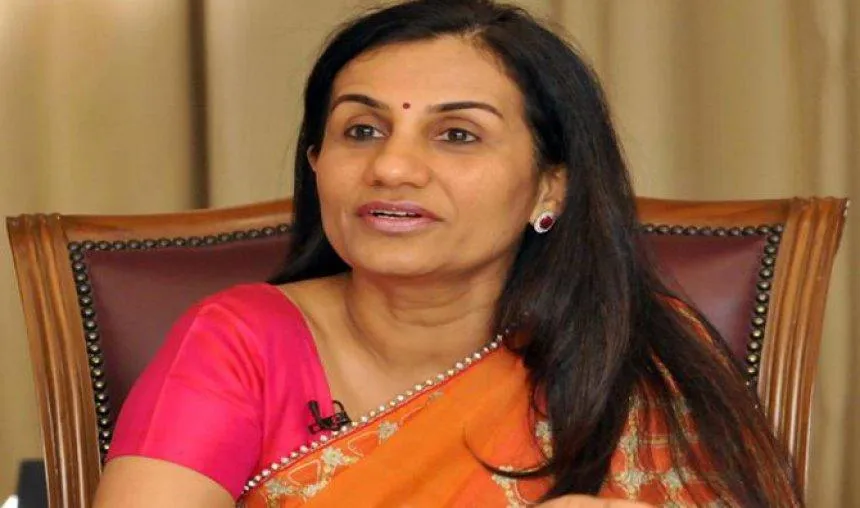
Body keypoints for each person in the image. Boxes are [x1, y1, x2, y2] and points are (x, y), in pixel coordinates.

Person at [94, 0, 801, 506]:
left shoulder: (637, 355)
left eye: (457, 135)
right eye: (361, 130)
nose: (392, 168)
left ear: (550, 186)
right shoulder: (239, 341)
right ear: (316, 162)